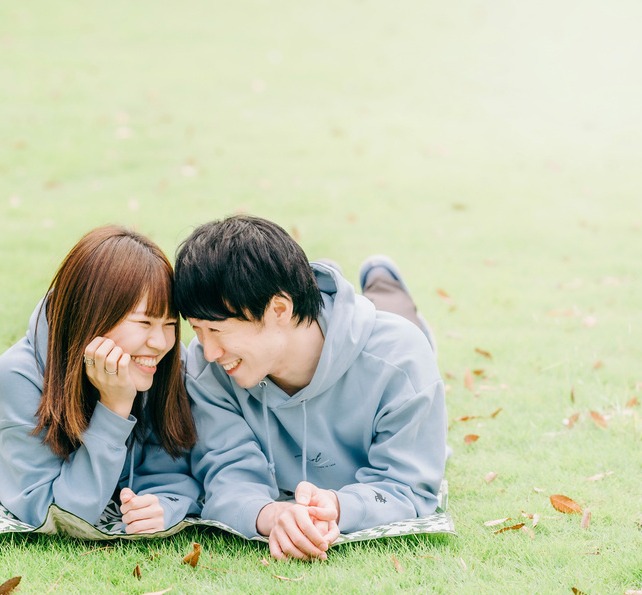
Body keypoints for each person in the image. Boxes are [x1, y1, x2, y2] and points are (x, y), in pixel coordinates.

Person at [0, 226, 200, 534]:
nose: (161, 342)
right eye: (144, 322)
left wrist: (165, 504)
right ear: (94, 314)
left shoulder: (159, 364)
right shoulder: (16, 378)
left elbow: (172, 468)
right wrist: (115, 407)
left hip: (59, 365)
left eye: (170, 324)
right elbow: (57, 513)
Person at [173, 216, 446, 561]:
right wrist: (270, 514)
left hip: (384, 337)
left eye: (217, 330)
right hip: (303, 321)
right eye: (197, 330)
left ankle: (383, 279)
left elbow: (409, 486)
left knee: (397, 314)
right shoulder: (207, 369)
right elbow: (226, 475)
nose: (209, 352)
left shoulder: (400, 359)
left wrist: (339, 507)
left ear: (279, 310)